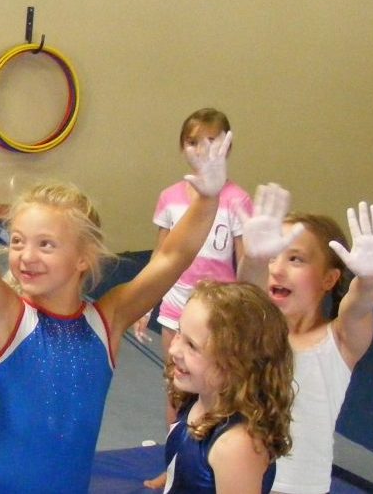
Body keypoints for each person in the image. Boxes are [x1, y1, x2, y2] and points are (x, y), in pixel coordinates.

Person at [0, 117, 230, 493]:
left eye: (45, 244)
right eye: (18, 241)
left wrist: (207, 200)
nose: (27, 256)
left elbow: (173, 257)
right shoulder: (9, 317)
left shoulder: (107, 320)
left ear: (82, 258)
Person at [237, 192, 373, 494]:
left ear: (329, 279)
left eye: (295, 259)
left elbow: (359, 305)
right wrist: (254, 257)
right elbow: (247, 290)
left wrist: (370, 281)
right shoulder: (254, 330)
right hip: (238, 479)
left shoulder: (338, 340)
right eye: (272, 256)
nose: (277, 269)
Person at [141, 107, 252, 489]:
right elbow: (162, 255)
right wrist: (146, 303)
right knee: (176, 386)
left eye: (211, 141)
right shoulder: (170, 197)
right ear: (182, 147)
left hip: (218, 314)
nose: (202, 150)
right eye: (193, 142)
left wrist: (246, 310)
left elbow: (247, 258)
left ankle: (217, 458)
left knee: (220, 387)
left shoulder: (237, 199)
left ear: (227, 146)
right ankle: (174, 464)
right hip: (177, 304)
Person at [161, 281, 295, 493]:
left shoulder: (235, 445)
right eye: (179, 332)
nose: (174, 349)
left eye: (192, 346)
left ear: (236, 365)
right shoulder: (197, 398)